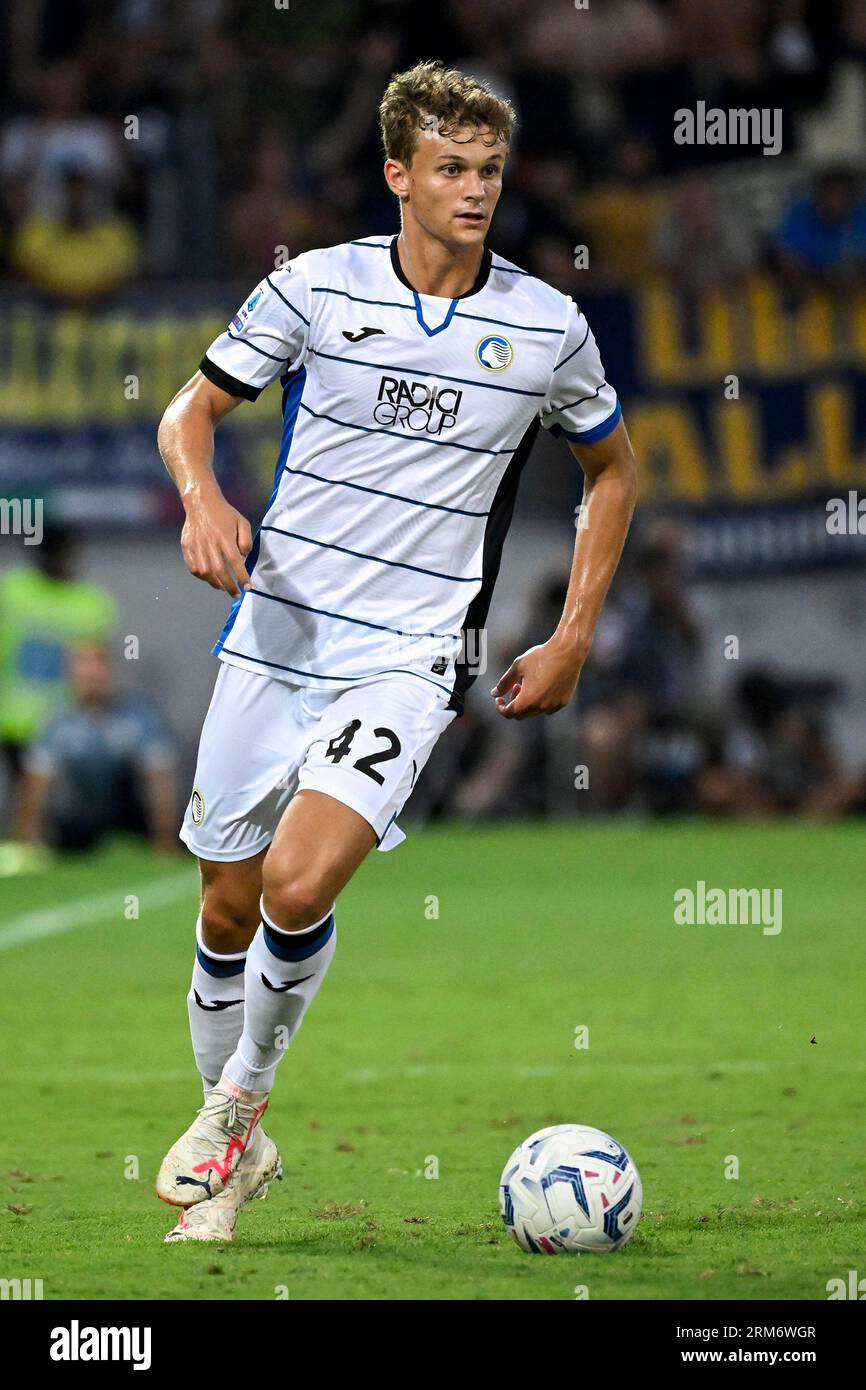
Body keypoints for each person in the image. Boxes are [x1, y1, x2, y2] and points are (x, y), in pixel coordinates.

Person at [155, 60, 637, 1243]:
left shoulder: (543, 327)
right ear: (397, 175)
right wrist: (200, 497)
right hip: (273, 638)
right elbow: (189, 410)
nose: (475, 191)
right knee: (224, 908)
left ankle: (236, 1108)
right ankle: (237, 1147)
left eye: (488, 170)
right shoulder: (316, 289)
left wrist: (571, 631)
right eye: (451, 169)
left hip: (411, 653)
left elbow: (612, 466)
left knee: (297, 882)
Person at [15, 642, 178, 855]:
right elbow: (35, 785)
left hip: (129, 822)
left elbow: (160, 784)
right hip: (78, 824)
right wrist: (27, 842)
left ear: (111, 671)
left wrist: (165, 843)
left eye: (97, 665)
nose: (90, 674)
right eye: (82, 666)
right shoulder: (56, 722)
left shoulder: (139, 717)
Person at [0, 525, 117, 815]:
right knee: (23, 793)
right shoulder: (12, 589)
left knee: (59, 800)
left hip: (65, 717)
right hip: (15, 716)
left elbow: (98, 664)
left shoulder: (92, 602)